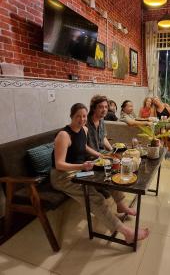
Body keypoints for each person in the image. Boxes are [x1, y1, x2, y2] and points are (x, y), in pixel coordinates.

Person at [50, 103, 149, 243]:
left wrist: (100, 156)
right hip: (63, 176)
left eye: (84, 116)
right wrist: (82, 166)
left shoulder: (83, 130)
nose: (82, 119)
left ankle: (121, 205)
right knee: (95, 197)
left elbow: (83, 147)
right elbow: (59, 164)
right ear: (71, 116)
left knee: (109, 175)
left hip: (80, 171)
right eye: (78, 116)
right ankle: (126, 232)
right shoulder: (64, 135)